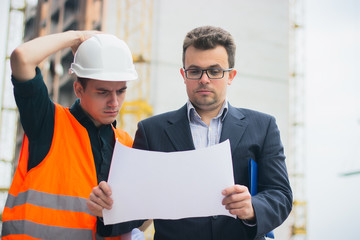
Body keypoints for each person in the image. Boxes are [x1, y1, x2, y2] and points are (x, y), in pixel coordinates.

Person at [88, 26, 293, 240]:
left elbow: (280, 195)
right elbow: (136, 208)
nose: (204, 79)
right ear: (183, 75)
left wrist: (252, 208)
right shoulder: (152, 131)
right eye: (195, 71)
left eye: (214, 71)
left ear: (230, 75)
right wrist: (107, 211)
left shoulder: (262, 126)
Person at [1, 31, 144, 240]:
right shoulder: (48, 123)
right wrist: (76, 37)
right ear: (78, 89)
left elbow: (140, 216)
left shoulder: (126, 144)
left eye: (121, 91)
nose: (114, 102)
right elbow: (22, 57)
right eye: (103, 92)